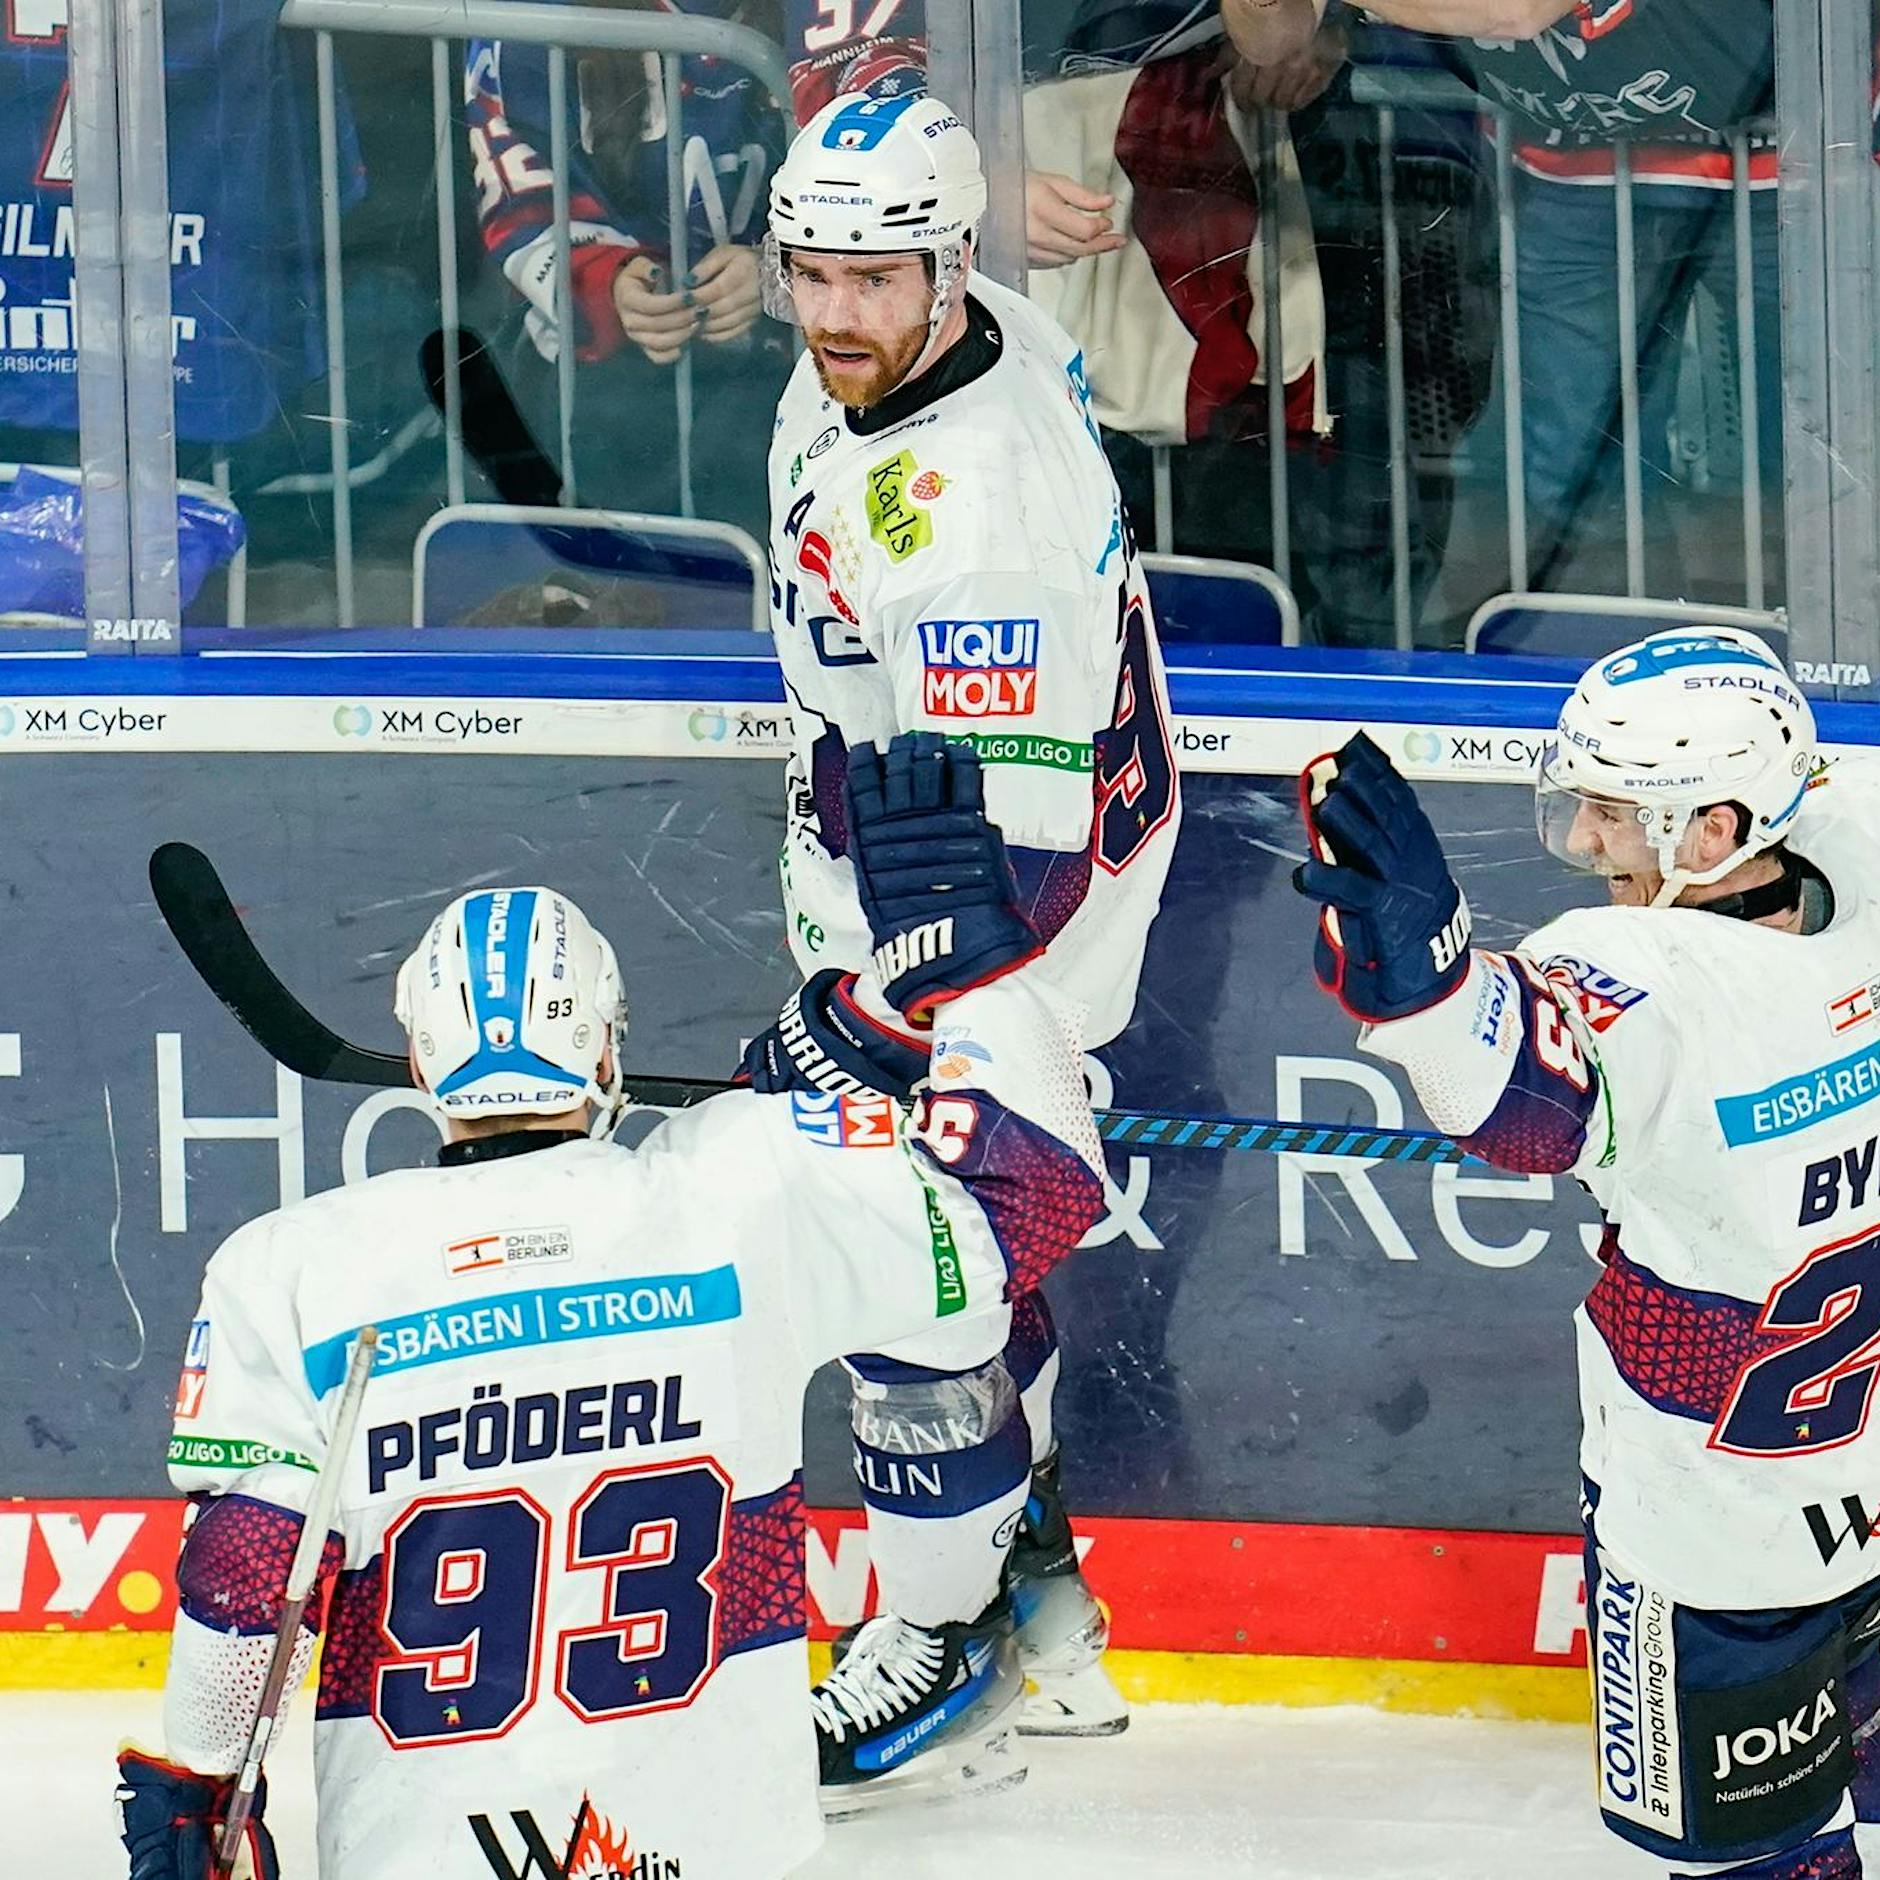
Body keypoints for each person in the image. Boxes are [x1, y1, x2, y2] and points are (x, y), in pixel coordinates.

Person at [113, 735, 1108, 1880]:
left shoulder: (295, 1269)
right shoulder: (740, 1190)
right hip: (719, 1851)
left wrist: (195, 1792)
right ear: (608, 1055)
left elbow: (247, 1583)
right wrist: (977, 980)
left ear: (423, 1064)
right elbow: (1038, 1189)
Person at [748, 88, 1181, 1797]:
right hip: (911, 869)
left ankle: (946, 1635)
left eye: (874, 280)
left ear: (950, 262)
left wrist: (872, 1021)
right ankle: (1049, 1616)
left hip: (1006, 935)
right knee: (981, 1273)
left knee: (914, 1268)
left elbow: (1018, 870)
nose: (837, 313)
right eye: (812, 275)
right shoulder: (952, 329)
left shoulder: (976, 510)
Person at [1292, 627, 1880, 1876]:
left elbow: (1518, 1102)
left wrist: (1427, 990)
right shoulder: (1860, 845)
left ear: (1711, 832)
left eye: (1613, 814)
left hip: (1717, 1532)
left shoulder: (1641, 971)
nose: (1585, 844)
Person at [466, 0, 792, 533]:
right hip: (603, 395)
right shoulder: (526, 18)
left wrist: (782, 272)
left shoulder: (835, 17)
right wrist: (605, 282)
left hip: (787, 384)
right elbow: (517, 189)